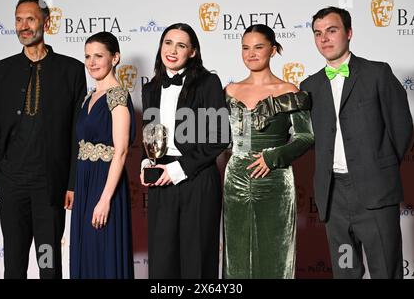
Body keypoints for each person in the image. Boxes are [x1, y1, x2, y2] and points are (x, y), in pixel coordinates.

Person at [300, 6, 413, 278]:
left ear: (349, 33)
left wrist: (377, 167)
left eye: (332, 30)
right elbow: (312, 139)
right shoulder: (309, 87)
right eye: (318, 33)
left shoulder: (377, 74)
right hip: (334, 199)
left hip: (375, 193)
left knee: (386, 270)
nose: (324, 38)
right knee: (345, 270)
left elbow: (401, 127)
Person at [0, 0, 87, 279]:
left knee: (48, 263)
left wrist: (71, 182)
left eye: (30, 19)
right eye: (18, 19)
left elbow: (76, 133)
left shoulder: (71, 70)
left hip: (49, 189)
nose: (23, 26)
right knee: (14, 265)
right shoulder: (1, 71)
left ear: (46, 22)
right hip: (12, 185)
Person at [223, 24, 314, 279]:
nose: (251, 54)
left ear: (273, 50)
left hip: (274, 179)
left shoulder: (289, 91)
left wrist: (272, 158)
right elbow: (214, 137)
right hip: (236, 179)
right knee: (237, 256)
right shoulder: (229, 91)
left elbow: (306, 137)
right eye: (245, 48)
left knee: (276, 254)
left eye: (258, 47)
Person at [140, 23, 229, 278]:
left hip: (197, 179)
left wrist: (178, 169)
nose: (172, 50)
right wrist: (147, 165)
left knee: (197, 261)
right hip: (161, 183)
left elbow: (220, 137)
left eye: (181, 45)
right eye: (168, 42)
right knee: (162, 260)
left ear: (192, 52)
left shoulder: (209, 82)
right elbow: (149, 133)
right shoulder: (151, 88)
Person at [69, 31, 135, 279]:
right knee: (86, 252)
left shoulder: (117, 96)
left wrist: (105, 199)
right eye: (87, 56)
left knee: (102, 252)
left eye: (99, 56)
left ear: (115, 58)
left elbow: (121, 152)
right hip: (85, 182)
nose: (92, 62)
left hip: (105, 184)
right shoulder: (89, 97)